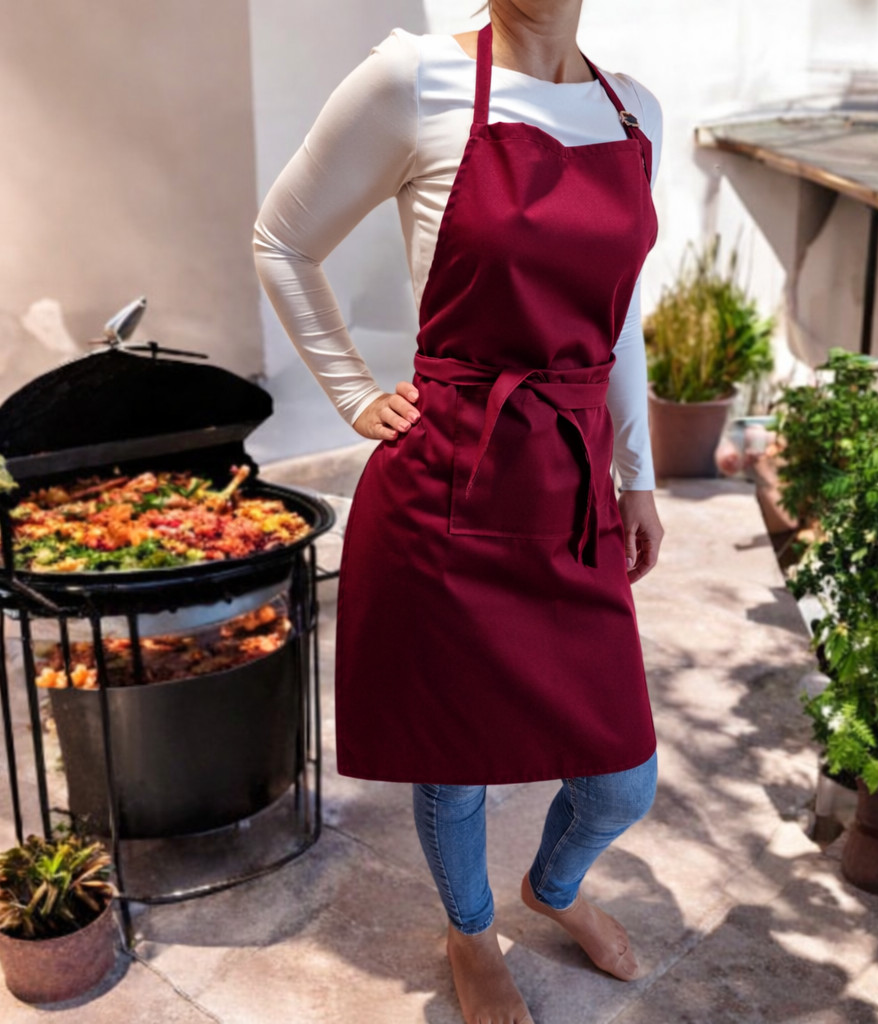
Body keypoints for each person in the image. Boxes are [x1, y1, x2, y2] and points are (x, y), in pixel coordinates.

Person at [254, 3, 664, 1021]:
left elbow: (618, 322)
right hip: (447, 484)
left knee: (621, 778)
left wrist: (639, 476)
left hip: (570, 489)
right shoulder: (413, 79)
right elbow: (282, 240)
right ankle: (470, 931)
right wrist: (353, 393)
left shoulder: (633, 112)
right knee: (456, 756)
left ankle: (551, 888)